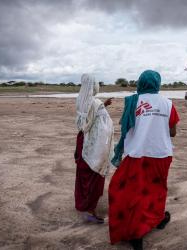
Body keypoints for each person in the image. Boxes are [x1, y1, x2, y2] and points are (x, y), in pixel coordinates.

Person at [108, 70, 180, 250]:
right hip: (161, 155)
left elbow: (127, 127)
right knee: (157, 189)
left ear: (141, 82)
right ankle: (158, 219)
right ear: (157, 83)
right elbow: (172, 132)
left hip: (137, 154)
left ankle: (137, 231)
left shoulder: (133, 102)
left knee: (133, 192)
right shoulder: (168, 103)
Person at [74, 74, 114, 223]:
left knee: (83, 174)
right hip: (93, 144)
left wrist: (104, 104)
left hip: (82, 140)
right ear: (93, 86)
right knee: (94, 174)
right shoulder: (96, 103)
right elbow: (101, 127)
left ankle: (82, 204)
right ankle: (90, 211)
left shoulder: (81, 100)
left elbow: (89, 116)